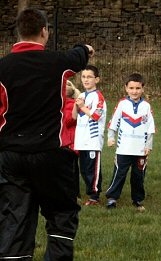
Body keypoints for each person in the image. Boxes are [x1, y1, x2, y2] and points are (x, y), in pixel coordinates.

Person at [0, 8, 94, 260]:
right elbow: (80, 55)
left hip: (11, 156)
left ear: (18, 33)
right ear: (44, 31)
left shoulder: (3, 68)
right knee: (61, 215)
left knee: (15, 219)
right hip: (51, 153)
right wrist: (85, 48)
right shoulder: (58, 62)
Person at [105, 73, 155, 212]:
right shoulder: (122, 104)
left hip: (140, 150)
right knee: (119, 173)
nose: (134, 91)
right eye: (131, 88)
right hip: (123, 148)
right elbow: (113, 122)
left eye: (138, 88)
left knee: (138, 176)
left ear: (142, 89)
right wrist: (111, 137)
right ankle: (112, 198)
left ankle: (138, 200)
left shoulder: (146, 106)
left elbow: (151, 127)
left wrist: (148, 146)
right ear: (126, 88)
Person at [73, 64, 107, 206]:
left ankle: (94, 196)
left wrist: (82, 106)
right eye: (83, 77)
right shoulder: (81, 95)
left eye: (89, 77)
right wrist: (76, 106)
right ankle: (90, 193)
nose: (86, 80)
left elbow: (96, 116)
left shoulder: (98, 97)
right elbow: (74, 117)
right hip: (81, 139)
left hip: (92, 139)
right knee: (84, 168)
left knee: (92, 169)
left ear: (97, 79)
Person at [64, 80, 81, 198]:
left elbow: (68, 121)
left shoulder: (70, 104)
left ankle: (74, 192)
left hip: (70, 142)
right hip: (68, 141)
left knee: (71, 169)